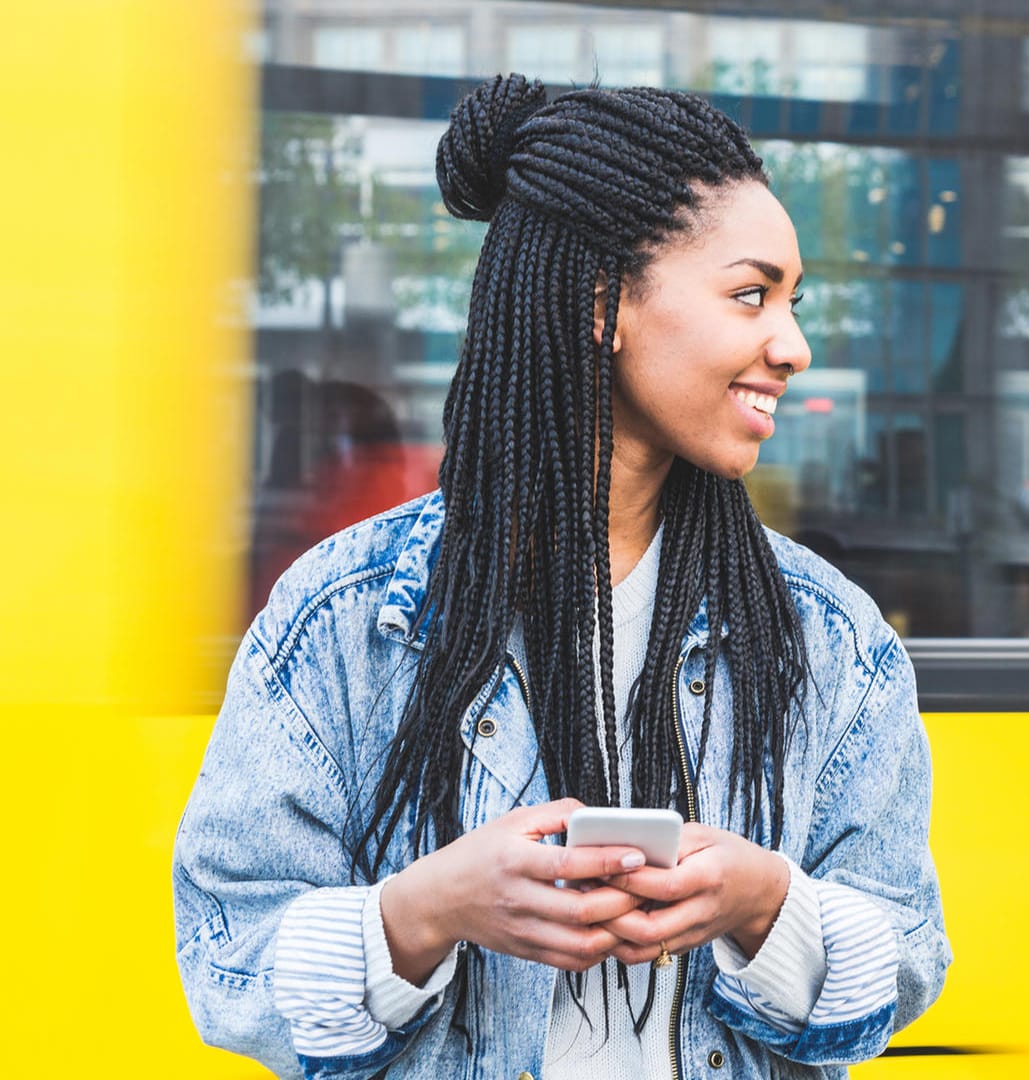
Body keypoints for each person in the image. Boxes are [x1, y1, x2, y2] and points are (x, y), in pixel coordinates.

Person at [174, 75, 949, 1080]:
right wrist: (426, 912)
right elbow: (229, 964)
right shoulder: (342, 620)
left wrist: (767, 906)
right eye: (750, 294)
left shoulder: (829, 637)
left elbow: (905, 962)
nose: (792, 345)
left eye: (793, 304)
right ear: (601, 301)